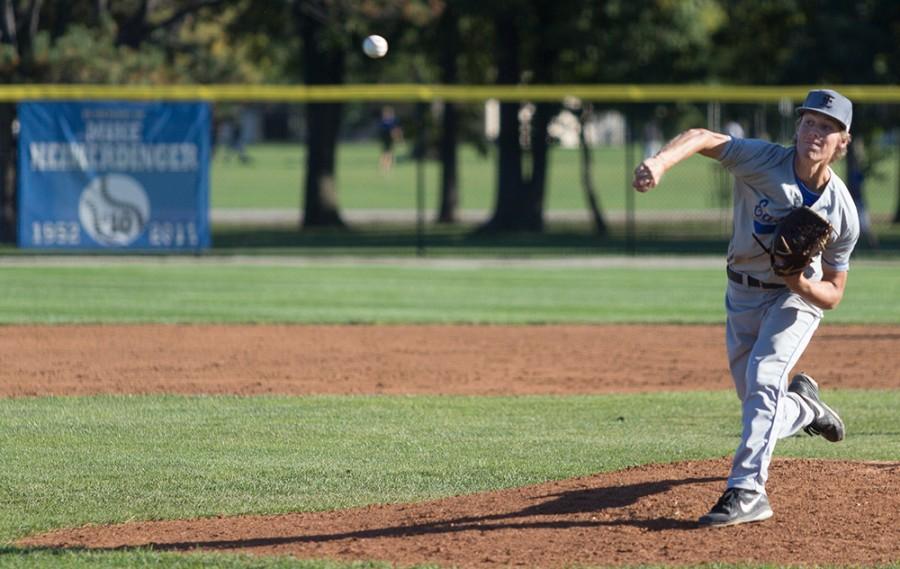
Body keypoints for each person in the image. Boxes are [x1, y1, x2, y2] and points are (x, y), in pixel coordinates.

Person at [632, 89, 860, 528]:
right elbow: (700, 136)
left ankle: (748, 490)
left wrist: (799, 281)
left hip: (793, 298)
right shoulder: (762, 160)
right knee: (760, 403)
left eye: (827, 127)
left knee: (765, 376)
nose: (815, 132)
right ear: (798, 127)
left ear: (842, 142)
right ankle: (807, 409)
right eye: (809, 122)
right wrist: (658, 163)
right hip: (741, 294)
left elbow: (833, 292)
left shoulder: (842, 211)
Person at [378, 106, 403, 172]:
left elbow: (397, 130)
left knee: (390, 152)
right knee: (385, 152)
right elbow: (382, 130)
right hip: (385, 138)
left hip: (390, 138)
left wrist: (398, 137)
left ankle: (389, 165)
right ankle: (384, 165)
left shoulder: (393, 120)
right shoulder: (383, 121)